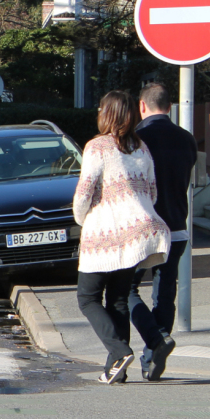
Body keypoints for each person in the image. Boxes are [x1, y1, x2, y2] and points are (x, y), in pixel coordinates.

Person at [73, 91, 170, 384]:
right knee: (117, 300)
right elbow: (152, 192)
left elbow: (84, 193)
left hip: (105, 234)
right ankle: (117, 369)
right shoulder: (141, 147)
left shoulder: (97, 146)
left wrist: (82, 219)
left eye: (101, 108)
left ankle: (118, 351)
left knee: (87, 298)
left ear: (109, 113)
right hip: (138, 233)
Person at [128, 82, 198, 380]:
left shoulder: (136, 139)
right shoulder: (187, 139)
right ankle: (152, 358)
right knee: (164, 294)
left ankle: (156, 339)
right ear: (170, 107)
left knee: (125, 289)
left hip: (145, 230)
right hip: (178, 229)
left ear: (141, 106)